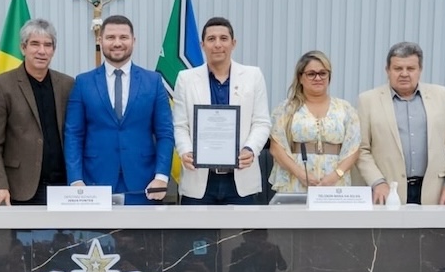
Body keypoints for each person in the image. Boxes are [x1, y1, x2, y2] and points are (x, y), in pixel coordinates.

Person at [64, 14, 174, 205]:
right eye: (110, 37)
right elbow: (73, 134)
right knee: (97, 236)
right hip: (93, 183)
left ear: (134, 41)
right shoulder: (83, 82)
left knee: (142, 236)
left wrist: (161, 176)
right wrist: (75, 179)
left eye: (123, 37)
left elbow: (165, 133)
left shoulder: (153, 82)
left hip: (144, 184)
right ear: (100, 41)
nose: (117, 43)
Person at [172, 17, 271, 205]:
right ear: (202, 45)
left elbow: (261, 122)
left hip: (241, 177)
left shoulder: (253, 76)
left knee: (250, 234)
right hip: (199, 179)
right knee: (196, 235)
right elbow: (180, 125)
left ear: (233, 43)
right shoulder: (185, 79)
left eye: (223, 38)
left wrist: (250, 149)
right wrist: (185, 150)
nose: (217, 44)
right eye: (211, 39)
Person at [357, 41, 445, 205]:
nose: (404, 74)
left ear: (420, 70)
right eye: (398, 68)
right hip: (387, 192)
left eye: (410, 68)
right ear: (387, 70)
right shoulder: (367, 100)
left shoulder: (442, 95)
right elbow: (361, 149)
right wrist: (377, 182)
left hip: (436, 192)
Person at [0, 19, 74, 206]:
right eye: (35, 44)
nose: (42, 51)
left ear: (53, 51)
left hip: (64, 186)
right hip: (20, 188)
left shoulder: (67, 84)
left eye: (47, 45)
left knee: (65, 237)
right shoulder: (1, 86)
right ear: (23, 48)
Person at [269, 50, 360, 193]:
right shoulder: (286, 109)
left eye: (323, 73)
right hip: (296, 182)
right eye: (311, 74)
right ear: (300, 77)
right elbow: (276, 148)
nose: (318, 78)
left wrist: (336, 175)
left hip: (335, 183)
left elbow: (354, 148)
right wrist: (300, 174)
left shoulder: (345, 108)